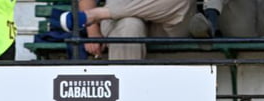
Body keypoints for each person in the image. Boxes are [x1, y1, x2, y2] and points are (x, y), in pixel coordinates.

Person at [57, 0, 195, 59]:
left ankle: (95, 15)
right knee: (129, 27)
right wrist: (93, 31)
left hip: (169, 23)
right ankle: (127, 100)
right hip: (122, 20)